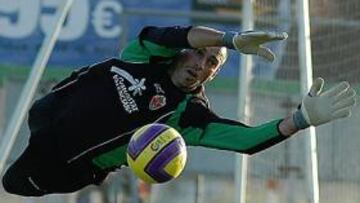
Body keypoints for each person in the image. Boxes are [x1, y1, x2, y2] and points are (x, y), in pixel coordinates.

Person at [1, 26, 356, 196]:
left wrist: (300, 119)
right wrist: (227, 40)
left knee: (11, 185)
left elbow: (244, 140)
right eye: (200, 53)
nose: (201, 64)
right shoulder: (146, 52)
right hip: (48, 115)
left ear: (214, 75)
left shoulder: (189, 115)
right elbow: (179, 35)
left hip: (69, 164)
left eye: (212, 64)